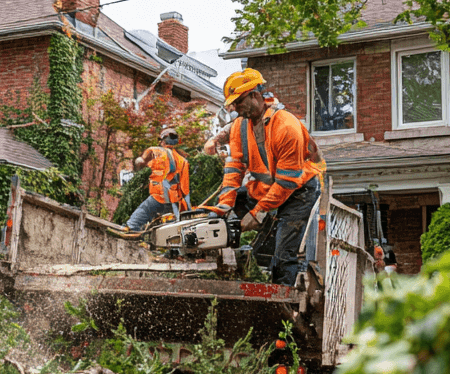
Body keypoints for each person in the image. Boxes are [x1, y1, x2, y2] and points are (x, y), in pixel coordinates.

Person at [203, 68, 323, 285]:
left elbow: (287, 182)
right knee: (225, 211)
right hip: (268, 188)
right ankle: (221, 260)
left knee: (284, 252)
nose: (234, 108)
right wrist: (224, 206)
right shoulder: (240, 126)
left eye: (238, 102)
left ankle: (284, 305)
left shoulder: (286, 126)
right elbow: (234, 168)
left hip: (298, 191)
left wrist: (258, 213)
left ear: (254, 96)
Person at [124, 125, 192, 233]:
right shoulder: (183, 161)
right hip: (172, 201)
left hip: (158, 195)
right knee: (167, 227)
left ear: (162, 141)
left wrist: (139, 171)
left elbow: (140, 162)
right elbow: (185, 189)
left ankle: (132, 229)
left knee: (142, 213)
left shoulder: (155, 151)